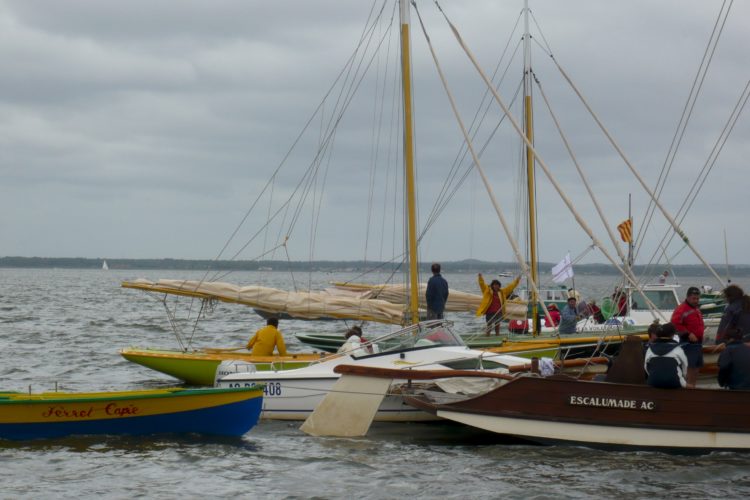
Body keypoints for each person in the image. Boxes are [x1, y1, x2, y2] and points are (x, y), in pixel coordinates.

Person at [671, 286, 705, 388]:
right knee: (690, 367)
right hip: (688, 343)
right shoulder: (681, 309)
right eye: (694, 298)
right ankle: (688, 390)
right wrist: (688, 333)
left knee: (696, 368)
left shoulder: (696, 309)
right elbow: (675, 323)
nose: (696, 301)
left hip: (698, 343)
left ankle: (693, 387)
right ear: (688, 297)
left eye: (697, 298)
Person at [644, 322, 688, 388]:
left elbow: (646, 367)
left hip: (653, 382)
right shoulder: (678, 349)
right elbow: (685, 368)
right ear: (672, 335)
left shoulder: (650, 349)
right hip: (674, 383)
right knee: (689, 386)